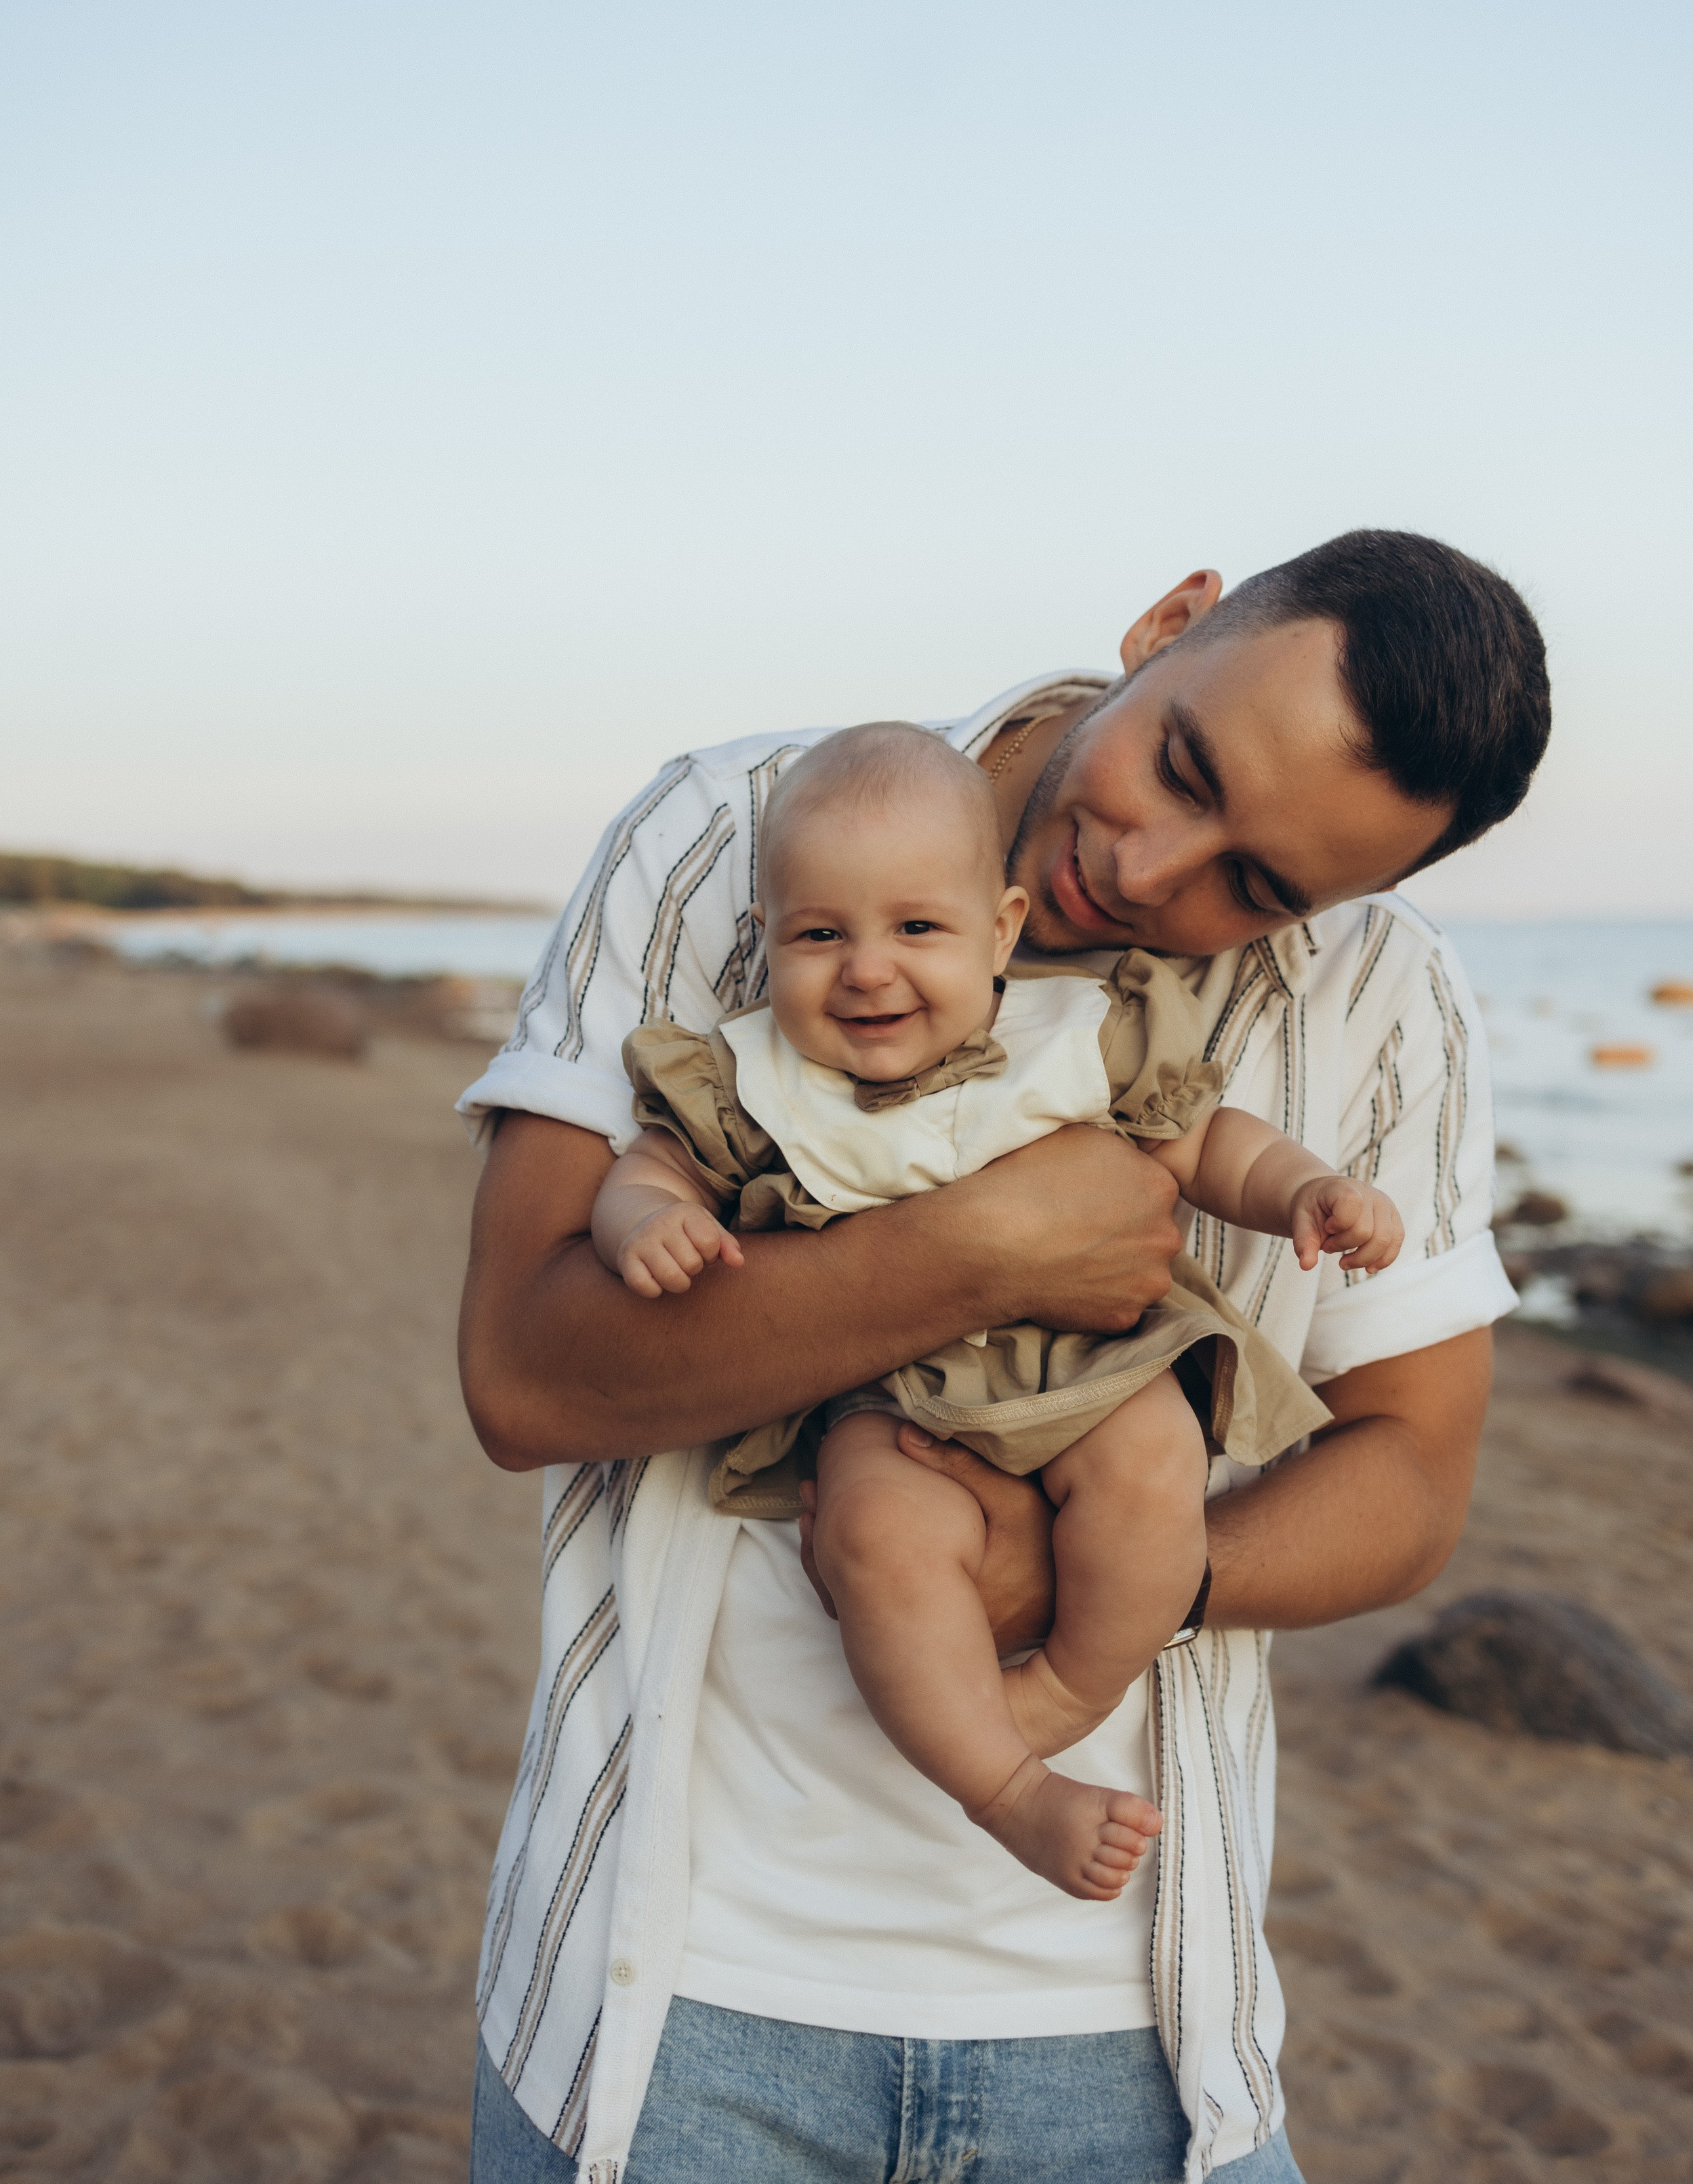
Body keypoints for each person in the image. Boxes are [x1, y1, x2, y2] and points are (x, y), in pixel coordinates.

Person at [457, 531, 1549, 2184]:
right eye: (1175, 764)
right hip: (671, 2017)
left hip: (1135, 2052)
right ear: (1170, 622)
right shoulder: (730, 832)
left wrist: (1109, 1571)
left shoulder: (1379, 995)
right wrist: (972, 1252)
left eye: (1257, 884)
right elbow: (524, 1379)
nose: (1157, 870)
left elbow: (1409, 1483)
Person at [589, 720, 1402, 1903]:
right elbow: (655, 1171)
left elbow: (1205, 1140)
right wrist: (643, 1223)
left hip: (1094, 1363)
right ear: (769, 943)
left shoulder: (1077, 1032)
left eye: (919, 928)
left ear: (1003, 930)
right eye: (823, 935)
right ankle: (1011, 1792)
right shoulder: (749, 1077)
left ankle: (1070, 1688)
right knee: (870, 1533)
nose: (868, 969)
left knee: (1153, 1466)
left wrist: (1305, 1192)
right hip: (890, 1389)